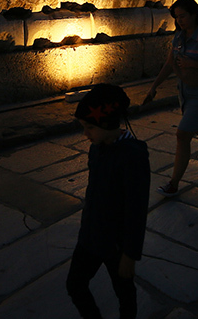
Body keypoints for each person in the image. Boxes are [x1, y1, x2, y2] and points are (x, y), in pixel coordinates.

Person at [67, 83, 150, 319]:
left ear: (108, 123)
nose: (85, 134)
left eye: (89, 127)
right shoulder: (97, 148)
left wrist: (130, 254)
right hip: (90, 237)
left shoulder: (132, 157)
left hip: (116, 246)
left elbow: (137, 208)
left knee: (124, 294)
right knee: (75, 285)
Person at [143, 0, 198, 197]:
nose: (180, 20)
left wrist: (193, 63)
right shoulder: (179, 37)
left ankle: (173, 184)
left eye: (183, 16)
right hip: (185, 91)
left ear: (193, 14)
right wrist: (154, 87)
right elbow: (169, 63)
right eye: (177, 17)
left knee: (183, 134)